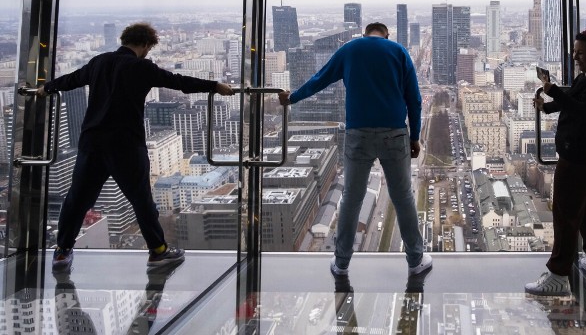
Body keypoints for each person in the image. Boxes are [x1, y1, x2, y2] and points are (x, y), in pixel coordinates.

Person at [37, 22, 234, 271]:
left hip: (92, 142)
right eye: (149, 48)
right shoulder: (142, 67)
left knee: (77, 198)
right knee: (141, 199)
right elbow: (179, 81)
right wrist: (214, 86)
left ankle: (63, 252)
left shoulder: (99, 62)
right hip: (126, 144)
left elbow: (72, 79)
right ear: (145, 45)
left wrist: (46, 88)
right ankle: (158, 251)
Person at [278, 22, 431, 277]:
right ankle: (416, 260)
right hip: (394, 133)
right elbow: (414, 99)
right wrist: (415, 137)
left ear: (365, 34)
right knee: (402, 196)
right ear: (386, 35)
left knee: (351, 198)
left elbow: (320, 79)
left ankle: (341, 263)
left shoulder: (350, 49)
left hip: (357, 133)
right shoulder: (398, 52)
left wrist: (292, 98)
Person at [525, 29, 586, 296]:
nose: (575, 56)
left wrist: (552, 89)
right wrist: (546, 106)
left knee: (566, 214)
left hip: (581, 158)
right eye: (575, 51)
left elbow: (584, 112)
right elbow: (575, 99)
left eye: (580, 52)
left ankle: (558, 274)